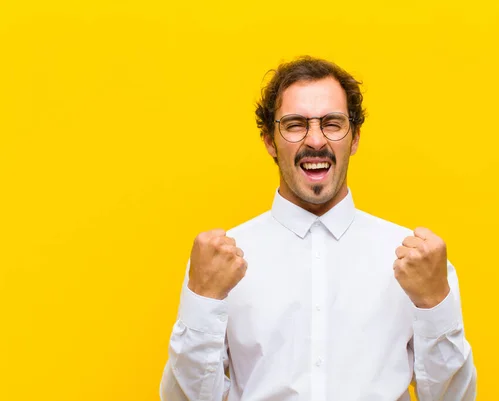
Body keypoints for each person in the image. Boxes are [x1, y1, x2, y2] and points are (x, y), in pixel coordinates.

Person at [159, 56, 477, 401]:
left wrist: (435, 303)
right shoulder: (220, 262)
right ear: (269, 140)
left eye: (332, 123)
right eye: (295, 124)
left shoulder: (415, 260)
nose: (315, 140)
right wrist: (202, 302)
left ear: (354, 138)